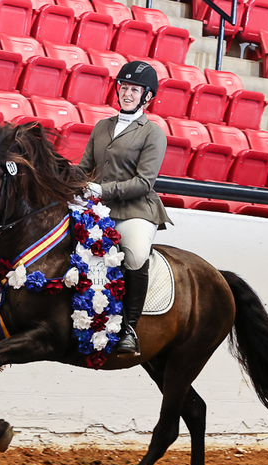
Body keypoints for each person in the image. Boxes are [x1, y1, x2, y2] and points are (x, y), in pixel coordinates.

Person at [78, 60, 172, 356]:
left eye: (134, 89)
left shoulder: (152, 133)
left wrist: (101, 190)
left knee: (135, 255)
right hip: (97, 206)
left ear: (147, 96)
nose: (127, 93)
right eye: (123, 87)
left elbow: (144, 182)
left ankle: (129, 327)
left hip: (135, 210)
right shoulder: (102, 126)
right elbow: (84, 168)